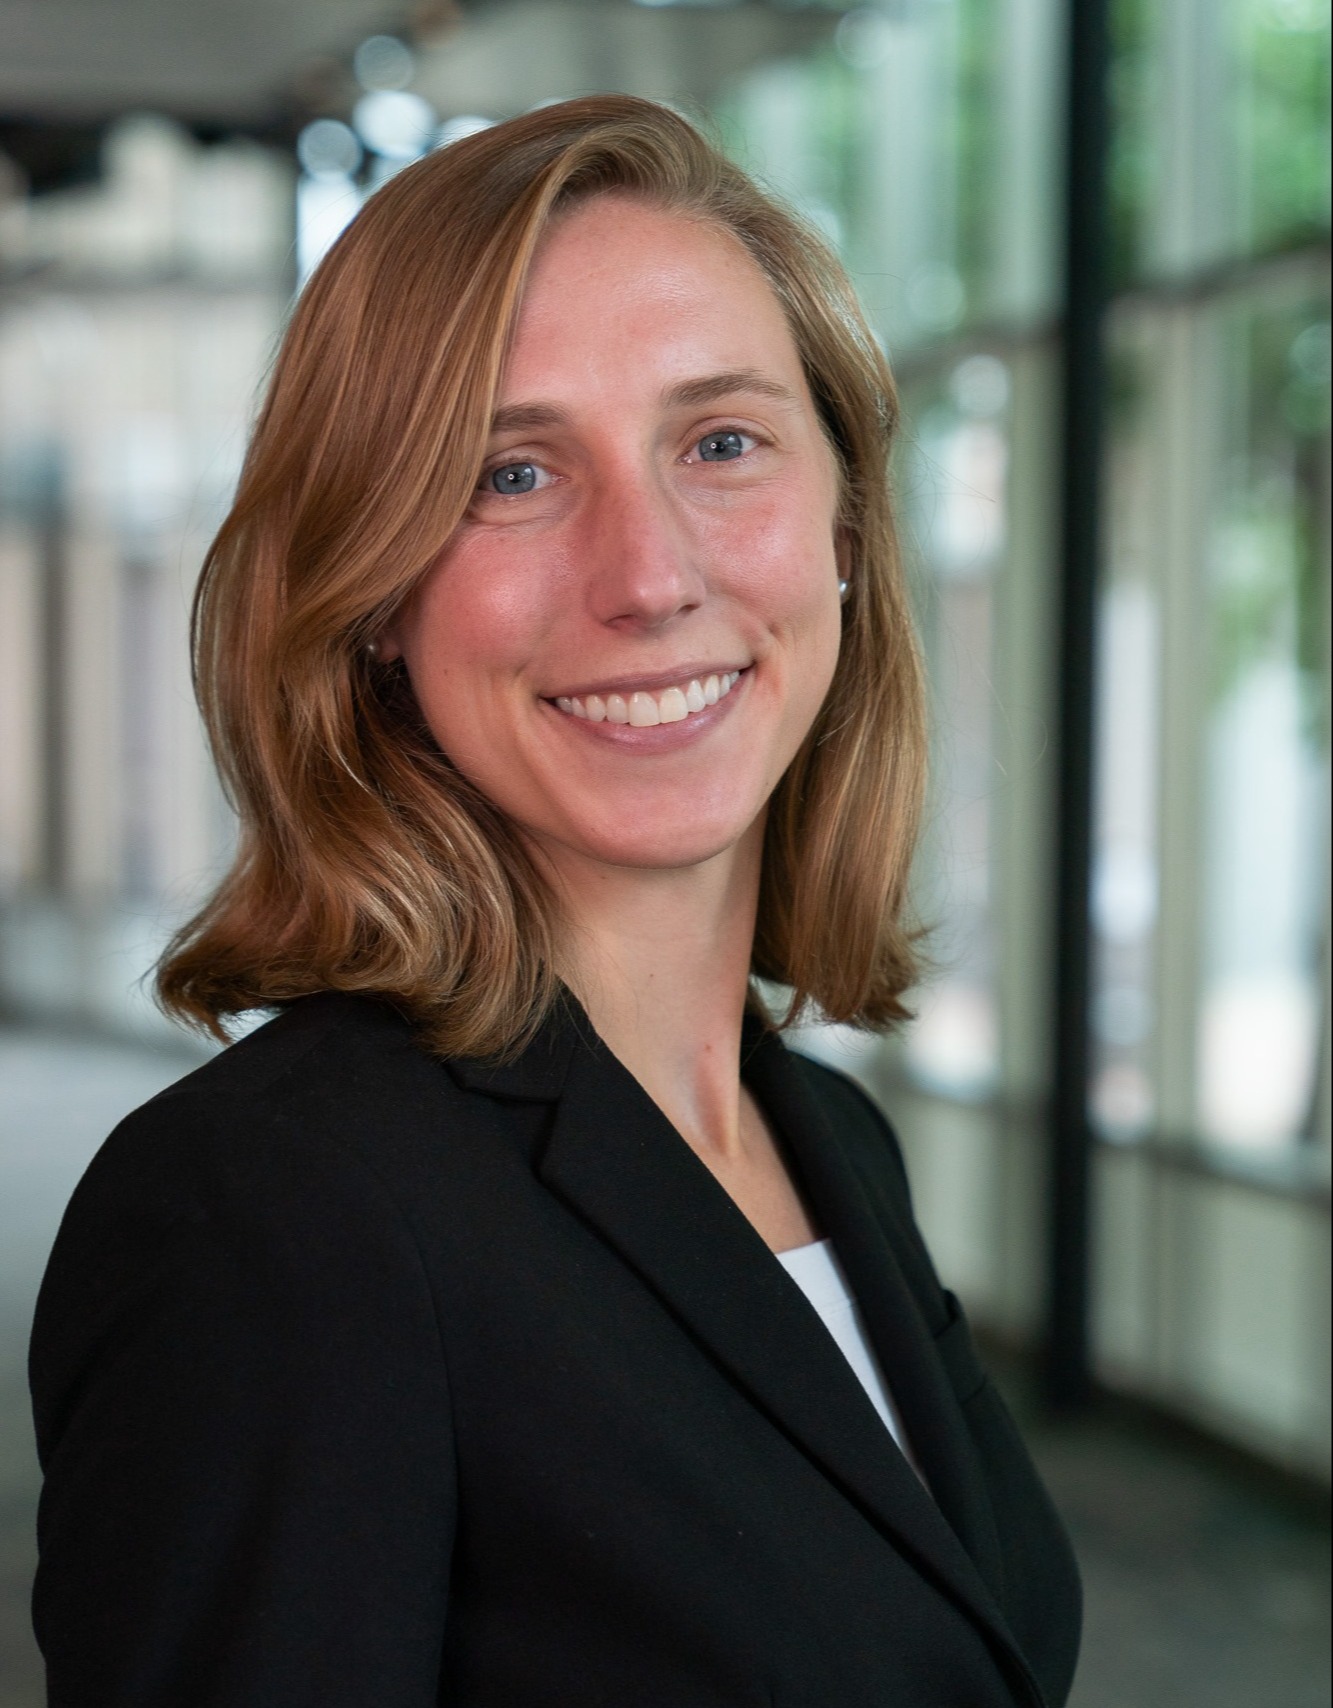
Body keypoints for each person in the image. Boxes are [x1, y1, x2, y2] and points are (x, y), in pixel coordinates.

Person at [29, 95, 1081, 1706]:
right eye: (512, 473)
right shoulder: (269, 1218)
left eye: (720, 442)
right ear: (370, 591)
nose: (648, 575)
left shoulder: (819, 1141)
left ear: (846, 521)